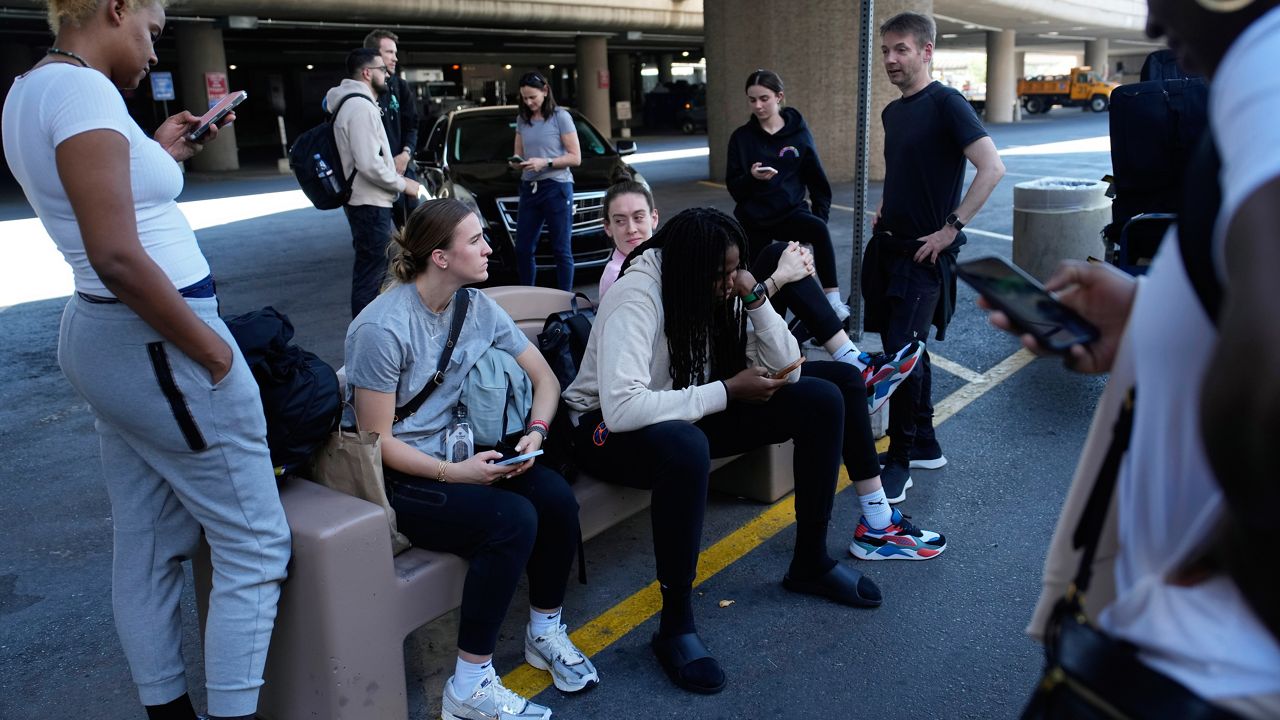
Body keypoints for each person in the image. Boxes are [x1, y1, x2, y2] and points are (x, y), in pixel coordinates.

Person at [1, 2, 291, 719]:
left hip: (109, 339)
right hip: (159, 345)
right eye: (154, 31)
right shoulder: (81, 91)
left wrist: (157, 153)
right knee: (256, 545)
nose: (156, 52)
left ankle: (168, 711)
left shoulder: (34, 87)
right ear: (116, 6)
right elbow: (118, 255)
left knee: (149, 539)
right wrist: (215, 354)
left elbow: (101, 206)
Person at [997, 2, 1280, 715]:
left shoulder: (1267, 62)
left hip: (1205, 673)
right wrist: (1156, 320)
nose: (1153, 24)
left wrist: (1206, 578)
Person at [564, 207, 890, 695]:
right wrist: (725, 391)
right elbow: (623, 410)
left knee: (823, 396)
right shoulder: (638, 295)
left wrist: (754, 296)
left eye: (734, 269)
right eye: (723, 274)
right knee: (686, 446)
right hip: (603, 429)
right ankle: (674, 626)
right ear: (692, 269)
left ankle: (811, 563)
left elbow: (790, 369)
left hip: (685, 406)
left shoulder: (715, 285)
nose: (729, 281)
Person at [346, 199, 598, 720]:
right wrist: (456, 474)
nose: (488, 248)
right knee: (511, 522)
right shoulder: (381, 328)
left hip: (466, 452)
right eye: (475, 240)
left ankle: (544, 633)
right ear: (440, 257)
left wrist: (535, 432)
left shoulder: (476, 306)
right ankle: (468, 687)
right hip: (405, 475)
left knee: (555, 498)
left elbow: (545, 379)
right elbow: (377, 442)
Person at [598, 181, 922, 415]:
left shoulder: (679, 260)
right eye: (620, 220)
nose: (631, 229)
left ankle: (851, 359)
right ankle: (846, 353)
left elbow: (717, 308)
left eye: (638, 217)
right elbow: (706, 316)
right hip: (691, 376)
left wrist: (760, 287)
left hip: (711, 353)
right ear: (607, 228)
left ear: (654, 218)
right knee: (779, 266)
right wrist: (779, 278)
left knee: (778, 254)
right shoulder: (625, 284)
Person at [869, 12, 1005, 502]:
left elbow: (992, 168)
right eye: (885, 50)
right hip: (891, 247)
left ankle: (900, 459)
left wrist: (951, 229)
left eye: (901, 49)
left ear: (927, 51)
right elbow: (901, 167)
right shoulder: (893, 112)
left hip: (925, 256)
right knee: (906, 350)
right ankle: (925, 442)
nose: (890, 59)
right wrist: (889, 200)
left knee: (902, 357)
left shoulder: (947, 103)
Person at [726, 69, 848, 320]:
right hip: (754, 220)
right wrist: (752, 178)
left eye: (764, 98)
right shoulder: (741, 138)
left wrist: (820, 217)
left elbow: (818, 183)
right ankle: (763, 323)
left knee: (819, 230)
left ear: (779, 97)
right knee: (761, 280)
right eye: (752, 100)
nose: (758, 105)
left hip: (790, 213)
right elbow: (735, 188)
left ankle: (833, 302)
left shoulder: (799, 134)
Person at [327, 47, 421, 317]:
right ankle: (365, 336)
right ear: (368, 73)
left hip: (366, 201)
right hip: (369, 202)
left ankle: (368, 332)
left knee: (373, 271)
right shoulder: (359, 107)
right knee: (371, 275)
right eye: (382, 69)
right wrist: (404, 184)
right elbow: (368, 163)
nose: (388, 74)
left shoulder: (353, 102)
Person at [509, 71, 581, 291]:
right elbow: (518, 153)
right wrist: (516, 163)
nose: (528, 102)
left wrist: (546, 162)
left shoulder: (561, 117)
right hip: (529, 187)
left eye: (533, 97)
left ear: (545, 91)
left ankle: (564, 303)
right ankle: (527, 295)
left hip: (556, 186)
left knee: (561, 249)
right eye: (524, 97)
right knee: (522, 248)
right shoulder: (522, 119)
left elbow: (575, 157)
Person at [363, 29, 421, 229]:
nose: (395, 58)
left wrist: (406, 153)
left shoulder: (400, 86)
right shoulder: (362, 90)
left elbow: (412, 125)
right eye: (389, 52)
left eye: (395, 53)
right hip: (374, 180)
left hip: (402, 169)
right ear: (374, 56)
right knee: (378, 244)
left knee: (414, 236)